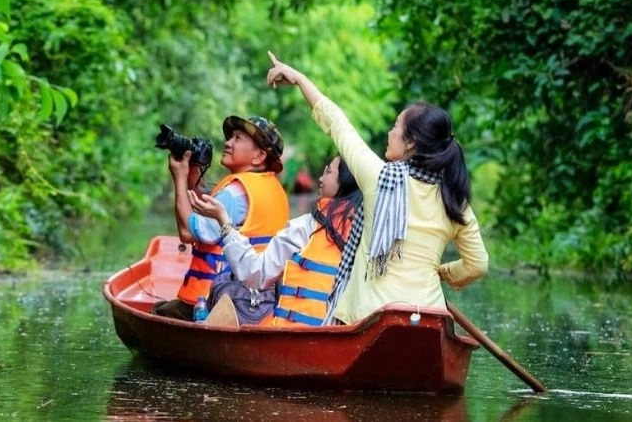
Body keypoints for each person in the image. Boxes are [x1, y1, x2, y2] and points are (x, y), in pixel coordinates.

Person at [265, 51, 488, 325]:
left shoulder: (378, 177)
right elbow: (477, 265)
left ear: (410, 142)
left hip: (370, 318)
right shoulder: (454, 197)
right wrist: (440, 272)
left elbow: (337, 124)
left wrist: (300, 79)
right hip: (429, 318)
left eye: (395, 126)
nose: (389, 133)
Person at [188, 156, 362, 327]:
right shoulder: (367, 231)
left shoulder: (306, 227)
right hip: (336, 336)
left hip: (293, 336)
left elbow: (256, 274)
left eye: (328, 172)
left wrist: (224, 222)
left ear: (344, 183)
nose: (321, 178)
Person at [152, 115, 290, 321]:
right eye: (230, 137)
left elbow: (187, 233)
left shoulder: (235, 192)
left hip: (219, 298)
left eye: (237, 138)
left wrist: (179, 177)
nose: (228, 143)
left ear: (259, 156)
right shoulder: (272, 188)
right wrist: (193, 179)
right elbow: (204, 215)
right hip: (261, 300)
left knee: (159, 312)